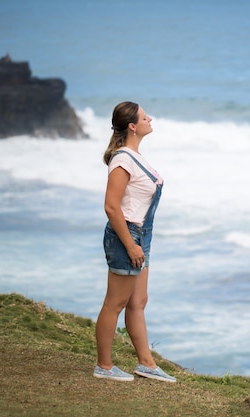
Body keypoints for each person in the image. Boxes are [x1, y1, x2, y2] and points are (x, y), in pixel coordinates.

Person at [93, 101, 176, 383]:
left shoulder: (134, 156)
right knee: (114, 303)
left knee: (138, 301)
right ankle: (103, 366)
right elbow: (112, 207)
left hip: (141, 235)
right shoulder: (123, 160)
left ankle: (146, 363)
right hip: (126, 236)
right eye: (144, 117)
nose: (149, 118)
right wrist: (130, 245)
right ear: (132, 126)